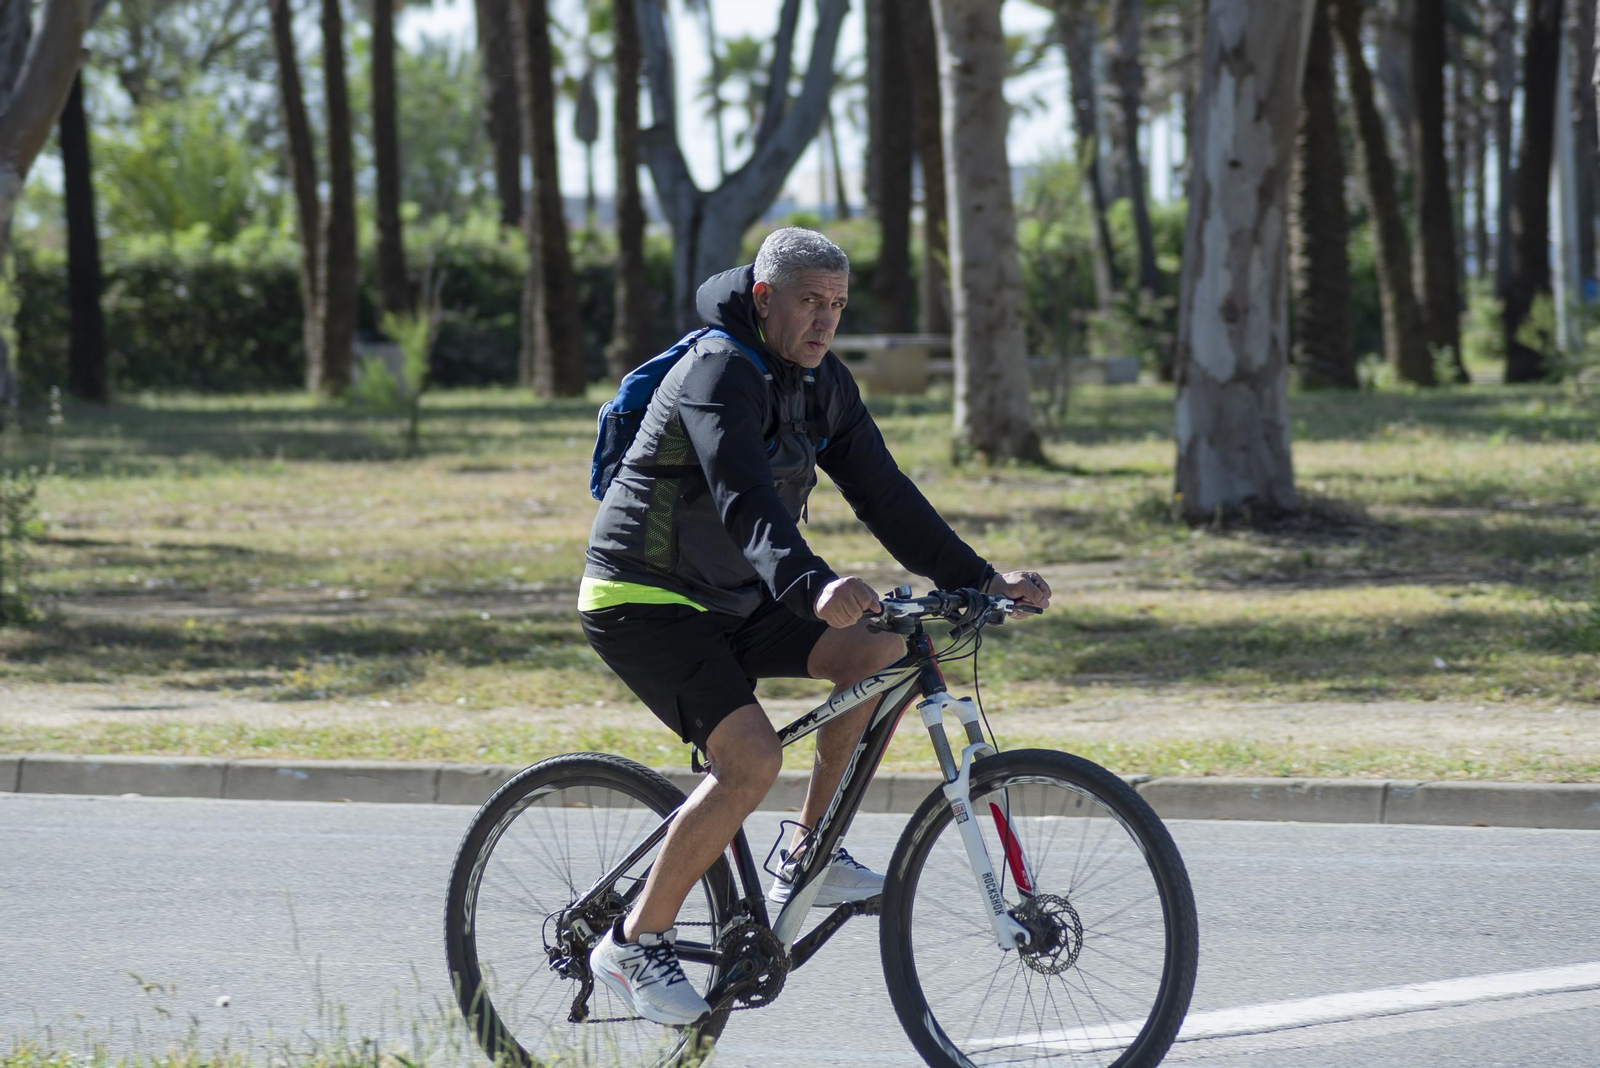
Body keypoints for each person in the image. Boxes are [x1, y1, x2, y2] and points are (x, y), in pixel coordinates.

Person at [580, 227, 1051, 1025]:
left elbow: (885, 494)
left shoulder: (823, 381)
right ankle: (632, 941)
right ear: (765, 300)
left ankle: (807, 850)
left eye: (836, 305)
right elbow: (742, 498)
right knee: (750, 760)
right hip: (646, 596)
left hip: (737, 593)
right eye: (809, 302)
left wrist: (978, 579)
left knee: (882, 648)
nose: (824, 320)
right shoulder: (717, 371)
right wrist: (813, 584)